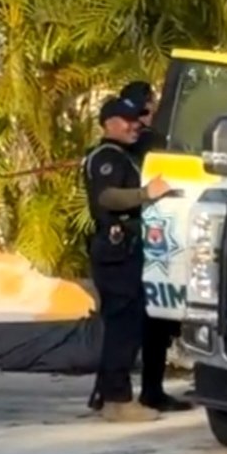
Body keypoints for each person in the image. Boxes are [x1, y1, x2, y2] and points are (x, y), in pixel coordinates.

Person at [83, 96, 172, 422]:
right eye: (127, 119)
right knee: (122, 326)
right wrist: (146, 193)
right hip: (114, 249)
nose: (135, 124)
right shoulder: (106, 157)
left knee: (129, 325)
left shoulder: (127, 154)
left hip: (129, 249)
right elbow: (107, 197)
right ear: (108, 123)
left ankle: (110, 395)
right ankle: (117, 400)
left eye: (137, 118)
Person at [118, 81, 194, 413]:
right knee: (153, 323)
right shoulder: (151, 144)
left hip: (147, 241)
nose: (143, 120)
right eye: (142, 112)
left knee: (147, 323)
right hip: (152, 243)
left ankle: (122, 392)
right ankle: (146, 391)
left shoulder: (122, 148)